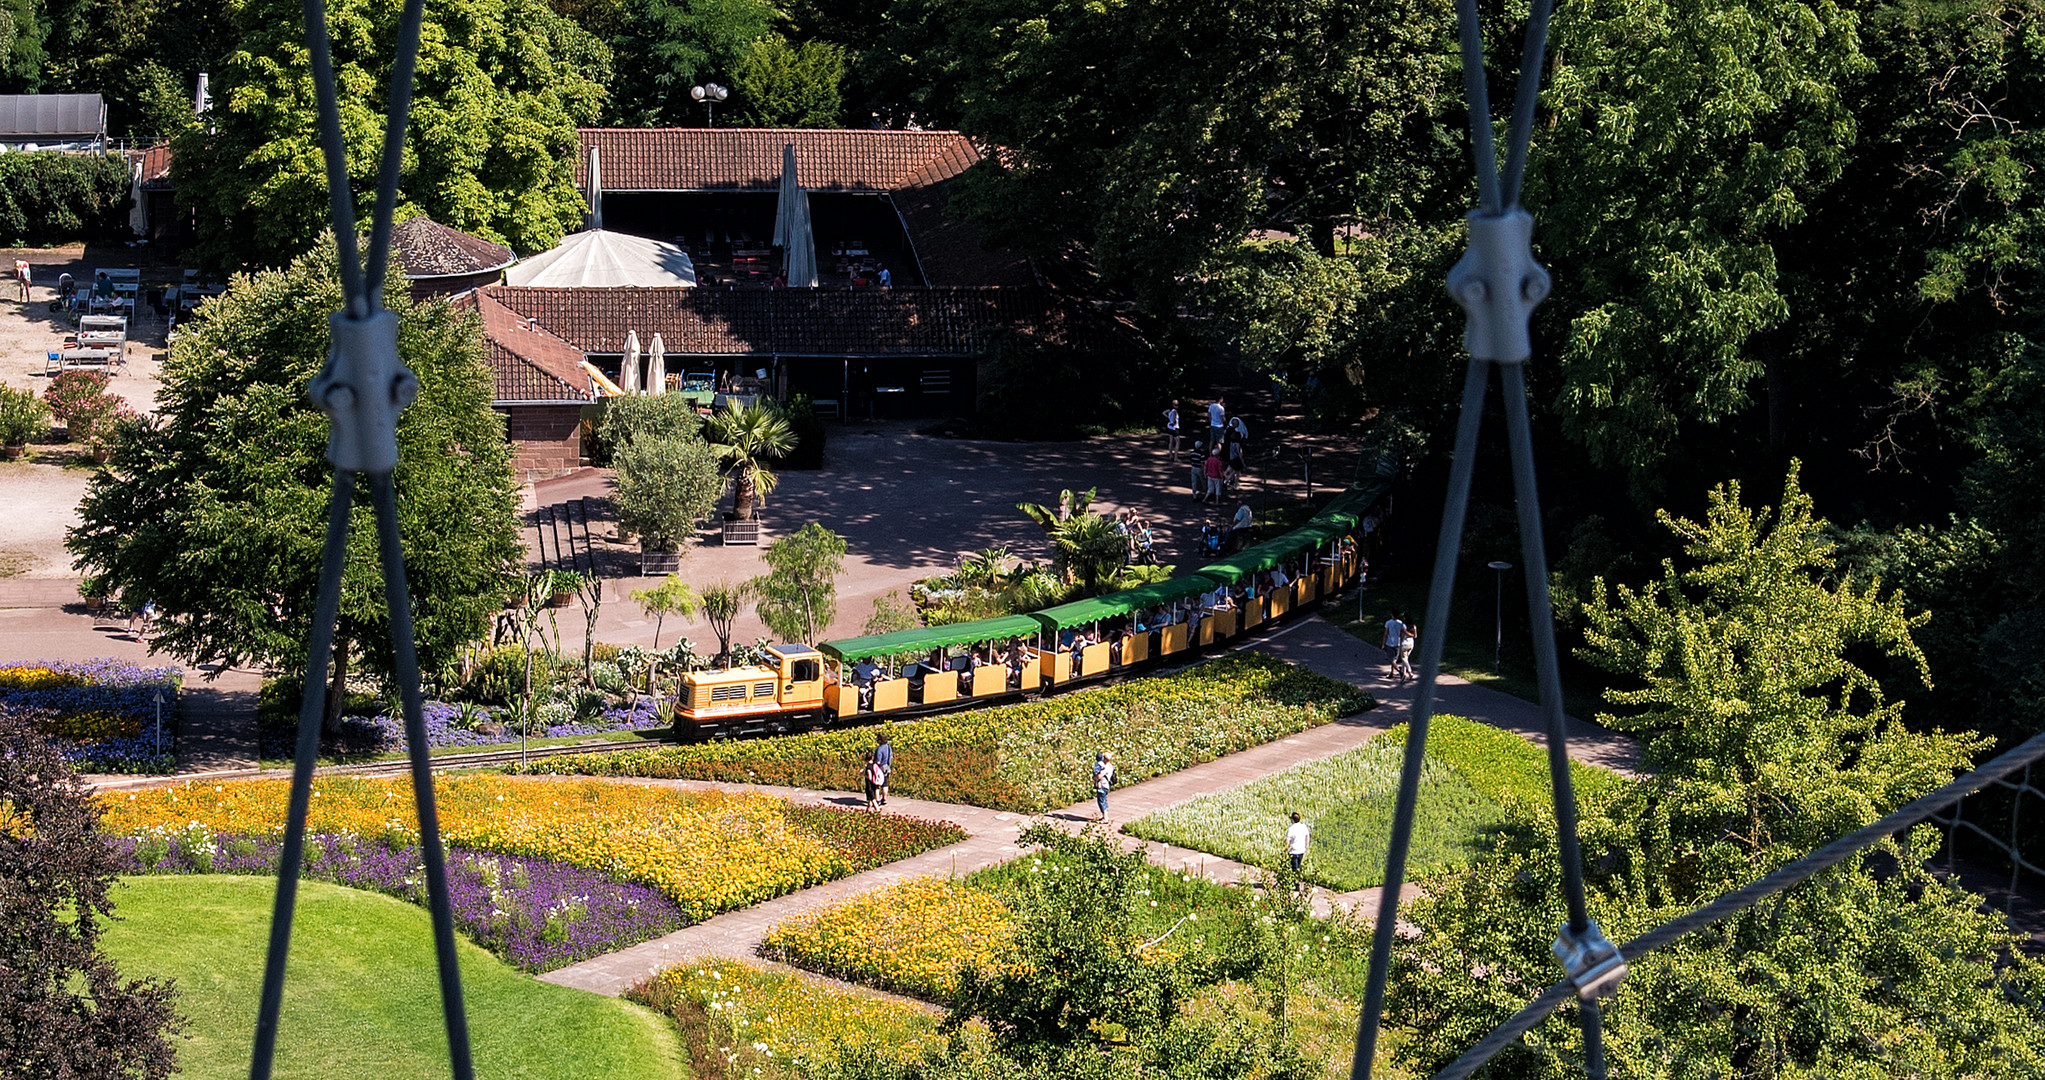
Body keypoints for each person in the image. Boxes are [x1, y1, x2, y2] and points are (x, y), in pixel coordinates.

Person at [1092, 751, 1115, 821]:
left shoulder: (1106, 767)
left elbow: (1099, 776)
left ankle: (1105, 818)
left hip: (1102, 785)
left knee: (1101, 801)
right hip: (1106, 785)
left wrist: (1094, 777)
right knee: (1103, 800)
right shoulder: (1110, 766)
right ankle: (1105, 816)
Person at [1286, 812, 1310, 876]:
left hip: (1293, 851)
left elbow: (1287, 840)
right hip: (1301, 850)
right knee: (1298, 867)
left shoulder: (1291, 829)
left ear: (1292, 820)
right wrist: (1306, 846)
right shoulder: (1303, 827)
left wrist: (1285, 849)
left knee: (1294, 869)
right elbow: (1307, 836)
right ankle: (1297, 881)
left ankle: (1296, 883)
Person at [874, 735, 894, 806]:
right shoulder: (888, 747)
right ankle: (884, 799)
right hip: (887, 767)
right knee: (885, 784)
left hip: (880, 768)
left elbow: (878, 761)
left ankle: (877, 800)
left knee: (877, 785)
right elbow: (891, 757)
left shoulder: (879, 749)